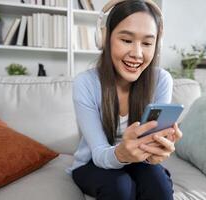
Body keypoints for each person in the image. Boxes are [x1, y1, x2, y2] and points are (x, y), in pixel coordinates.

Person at [68, 0, 182, 199]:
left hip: (139, 160)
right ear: (105, 38)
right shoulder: (84, 83)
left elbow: (152, 144)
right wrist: (121, 153)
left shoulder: (161, 80)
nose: (137, 54)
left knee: (159, 185)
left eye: (147, 43)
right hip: (94, 162)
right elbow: (99, 152)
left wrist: (157, 149)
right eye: (127, 40)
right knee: (119, 188)